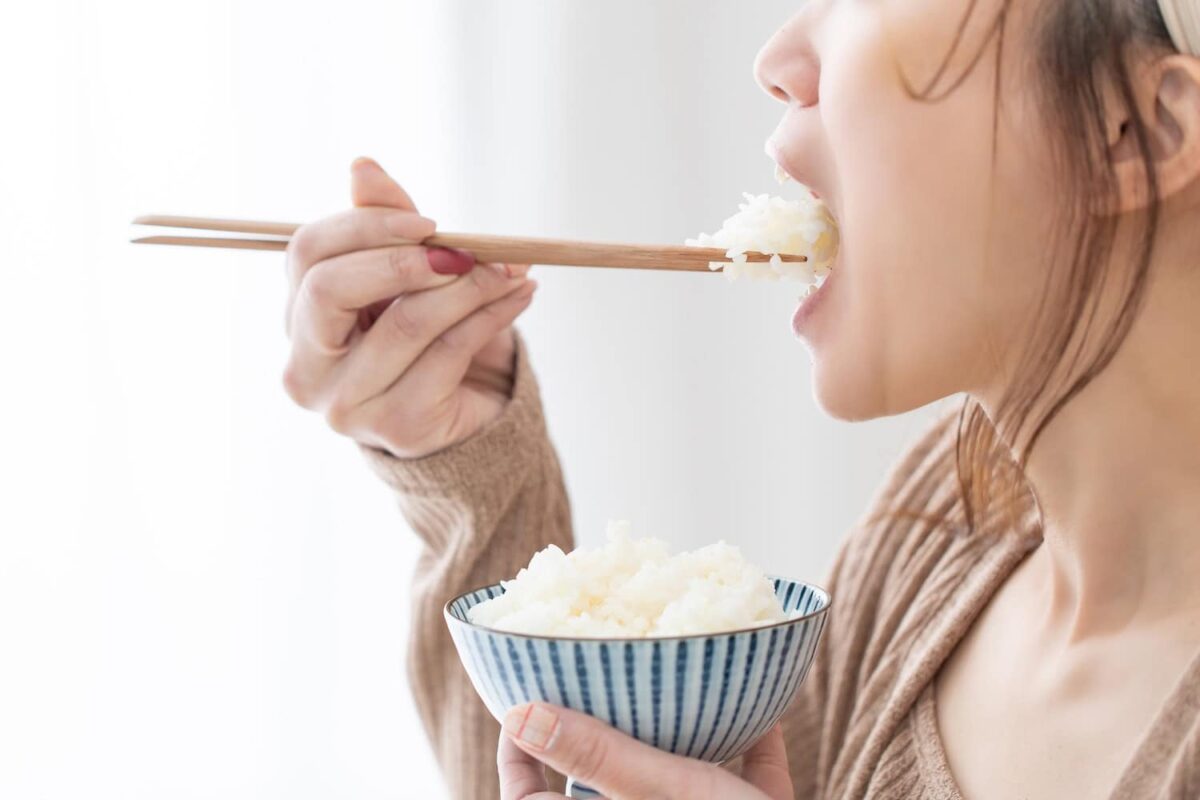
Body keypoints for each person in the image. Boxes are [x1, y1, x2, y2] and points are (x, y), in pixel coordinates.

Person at [280, 0, 1200, 797]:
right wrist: (470, 453)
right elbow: (582, 763)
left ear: (1135, 130)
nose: (778, 59)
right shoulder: (938, 542)